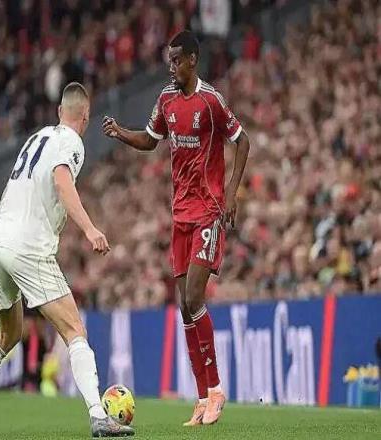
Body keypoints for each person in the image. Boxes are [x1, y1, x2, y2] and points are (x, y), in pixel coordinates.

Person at [0, 82, 134, 438]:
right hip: (28, 247)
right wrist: (90, 228)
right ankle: (98, 415)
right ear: (85, 117)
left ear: (60, 111)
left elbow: (9, 190)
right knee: (74, 331)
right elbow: (62, 181)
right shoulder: (72, 142)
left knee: (8, 333)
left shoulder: (36, 138)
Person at [102, 30, 250, 426]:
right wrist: (120, 133)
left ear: (192, 61)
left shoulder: (211, 101)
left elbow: (243, 141)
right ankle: (201, 398)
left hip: (208, 211)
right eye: (169, 60)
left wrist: (232, 192)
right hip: (180, 215)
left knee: (195, 297)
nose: (171, 67)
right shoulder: (166, 100)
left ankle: (216, 390)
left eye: (176, 60)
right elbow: (150, 140)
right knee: (184, 306)